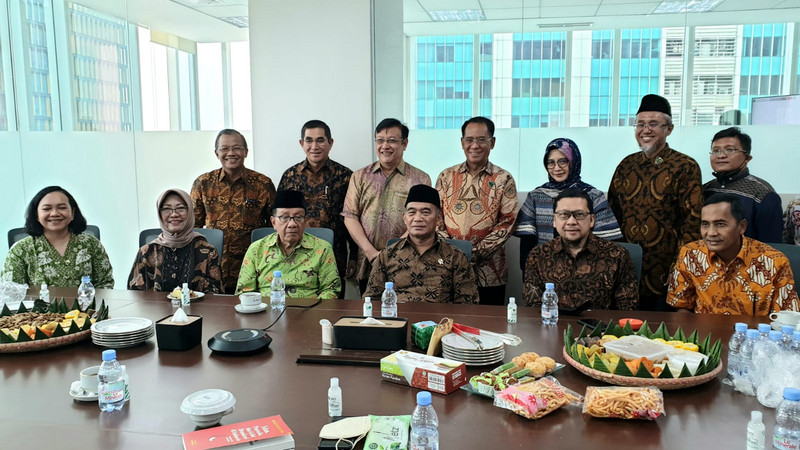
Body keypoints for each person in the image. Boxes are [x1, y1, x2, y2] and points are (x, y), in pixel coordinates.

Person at [608, 94, 703, 311]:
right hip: (627, 271)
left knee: (663, 335)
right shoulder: (626, 165)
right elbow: (613, 217)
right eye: (640, 124)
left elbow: (692, 223)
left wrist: (681, 268)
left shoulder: (685, 166)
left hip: (666, 273)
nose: (646, 130)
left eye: (653, 124)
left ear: (669, 129)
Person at [667, 194, 798, 314]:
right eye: (705, 224)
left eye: (720, 224)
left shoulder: (775, 261)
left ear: (742, 227)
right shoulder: (691, 254)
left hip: (754, 337)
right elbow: (681, 306)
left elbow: (787, 318)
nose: (711, 233)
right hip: (704, 336)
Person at [435, 116, 518, 305]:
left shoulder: (503, 179)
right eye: (469, 140)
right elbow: (436, 218)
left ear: (492, 142)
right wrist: (454, 255)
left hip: (490, 272)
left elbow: (507, 223)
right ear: (462, 142)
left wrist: (473, 253)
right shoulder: (446, 176)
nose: (475, 145)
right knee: (448, 324)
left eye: (481, 140)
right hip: (449, 268)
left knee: (489, 327)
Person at [343, 118, 431, 294]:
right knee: (370, 314)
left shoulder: (420, 179)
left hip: (406, 261)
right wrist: (370, 252)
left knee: (406, 312)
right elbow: (350, 216)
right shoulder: (360, 176)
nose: (385, 146)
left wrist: (393, 252)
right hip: (368, 261)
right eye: (380, 140)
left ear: (404, 143)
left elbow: (423, 220)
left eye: (391, 140)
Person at [515, 137, 622, 271]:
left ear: (573, 161)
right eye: (551, 163)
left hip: (586, 270)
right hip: (545, 270)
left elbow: (607, 243)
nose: (557, 168)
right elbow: (527, 242)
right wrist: (528, 272)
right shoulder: (536, 196)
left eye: (563, 161)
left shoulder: (593, 196)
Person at [191, 129, 276, 293]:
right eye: (224, 149)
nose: (231, 153)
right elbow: (193, 228)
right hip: (212, 269)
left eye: (236, 148)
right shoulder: (203, 184)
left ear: (246, 152)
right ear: (216, 153)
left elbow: (275, 226)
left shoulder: (263, 184)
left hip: (254, 269)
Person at [523, 189, 638, 311]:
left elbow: (627, 309)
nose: (571, 222)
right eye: (563, 214)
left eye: (579, 214)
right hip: (552, 327)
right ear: (554, 220)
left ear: (592, 220)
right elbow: (533, 308)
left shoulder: (617, 255)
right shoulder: (538, 255)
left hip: (600, 328)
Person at [278, 120, 354, 298]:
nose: (314, 146)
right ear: (301, 143)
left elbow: (352, 218)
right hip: (294, 256)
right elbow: (279, 218)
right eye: (309, 140)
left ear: (330, 143)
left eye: (320, 140)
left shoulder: (346, 177)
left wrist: (353, 258)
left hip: (335, 256)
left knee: (331, 307)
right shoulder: (290, 176)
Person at [364, 185, 478, 304]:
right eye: (412, 212)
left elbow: (468, 304)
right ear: (404, 218)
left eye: (425, 212)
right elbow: (371, 299)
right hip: (398, 320)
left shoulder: (456, 257)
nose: (417, 218)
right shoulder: (387, 256)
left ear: (439, 218)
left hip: (440, 321)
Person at [236, 190, 340, 299]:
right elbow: (244, 292)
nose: (292, 224)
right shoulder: (256, 249)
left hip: (309, 311)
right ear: (274, 222)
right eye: (284, 217)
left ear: (305, 221)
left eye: (298, 217)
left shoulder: (322, 249)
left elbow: (330, 290)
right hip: (266, 311)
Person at [3, 186, 113, 288]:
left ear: (72, 213)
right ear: (37, 215)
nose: (55, 213)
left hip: (86, 309)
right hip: (38, 309)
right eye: (47, 209)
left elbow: (105, 284)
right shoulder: (21, 249)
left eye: (62, 207)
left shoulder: (91, 244)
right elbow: (12, 291)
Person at [128, 189, 222, 293]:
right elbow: (134, 295)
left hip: (197, 309)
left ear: (190, 211)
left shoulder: (208, 251)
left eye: (180, 208)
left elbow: (216, 295)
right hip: (155, 309)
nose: (174, 214)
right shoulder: (146, 252)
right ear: (159, 214)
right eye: (167, 209)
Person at [702, 127, 783, 243]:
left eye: (730, 150)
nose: (721, 156)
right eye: (715, 150)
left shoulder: (763, 194)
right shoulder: (705, 189)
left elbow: (772, 245)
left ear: (747, 158)